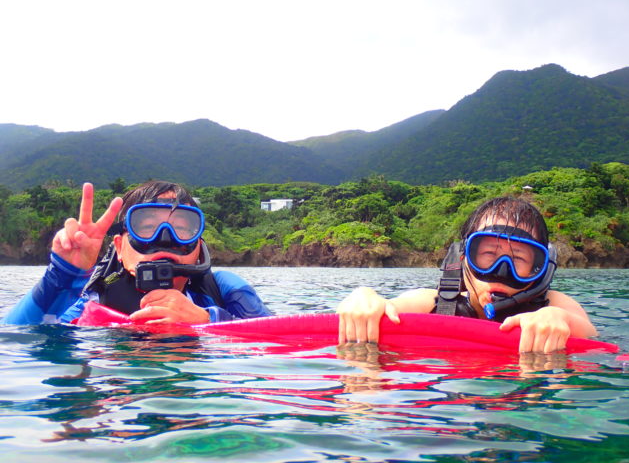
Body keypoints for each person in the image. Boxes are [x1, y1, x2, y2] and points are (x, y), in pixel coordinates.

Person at [337, 196, 597, 353]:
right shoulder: (436, 302)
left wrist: (555, 318)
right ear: (464, 257)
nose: (501, 270)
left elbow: (590, 333)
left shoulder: (553, 304)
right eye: (488, 254)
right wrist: (364, 296)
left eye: (518, 258)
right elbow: (386, 309)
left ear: (540, 267)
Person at [2, 181, 271, 325]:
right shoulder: (96, 303)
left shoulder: (222, 290)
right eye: (146, 228)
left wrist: (208, 321)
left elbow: (287, 340)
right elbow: (18, 342)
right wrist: (63, 274)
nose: (165, 240)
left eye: (182, 229)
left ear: (198, 248)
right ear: (119, 247)